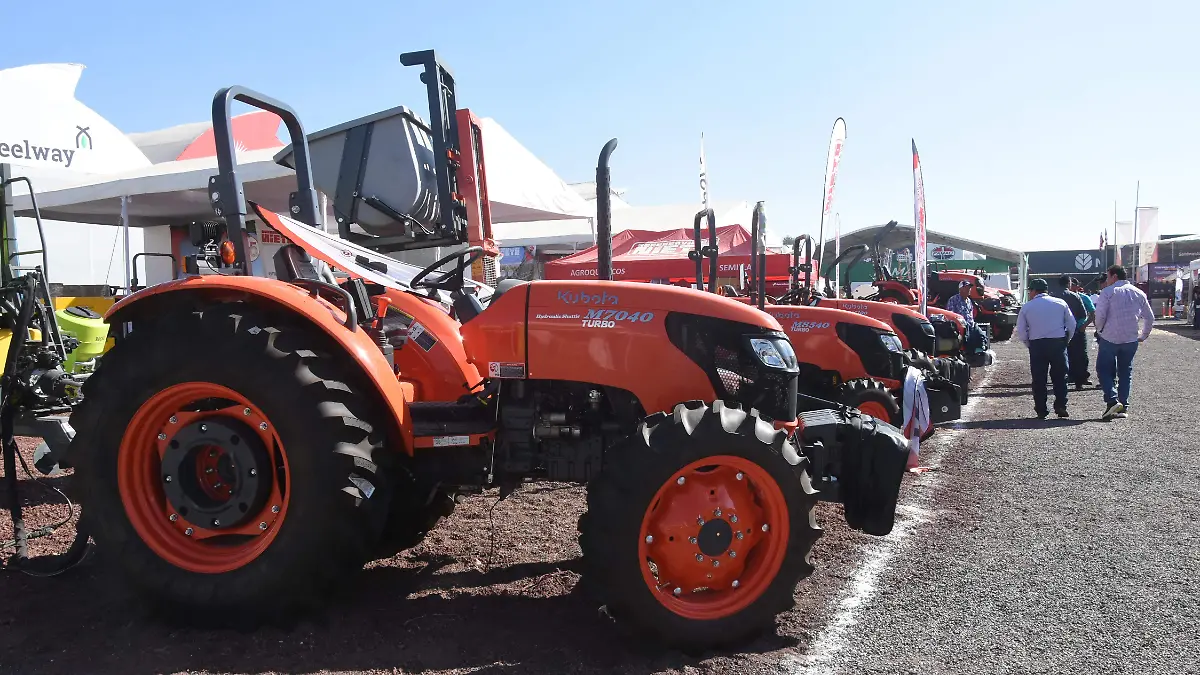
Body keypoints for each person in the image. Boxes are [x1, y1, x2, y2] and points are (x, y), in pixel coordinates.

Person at [1094, 265, 1154, 420]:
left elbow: (1100, 315)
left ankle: (1112, 400)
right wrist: (1143, 335)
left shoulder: (1107, 292)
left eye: (1108, 277)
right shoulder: (1139, 293)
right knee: (1125, 371)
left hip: (1110, 337)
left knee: (1104, 369)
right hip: (1130, 338)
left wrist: (1099, 330)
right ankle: (1123, 406)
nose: (1106, 280)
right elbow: (1149, 317)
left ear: (1114, 276)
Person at [1016, 278, 1076, 419]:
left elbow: (1021, 330)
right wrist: (1066, 340)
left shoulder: (1027, 307)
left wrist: (1028, 343)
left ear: (1034, 291)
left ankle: (1041, 409)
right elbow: (1072, 324)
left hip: (1037, 344)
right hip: (1058, 342)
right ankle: (1061, 404)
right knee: (1060, 377)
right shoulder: (1060, 303)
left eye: (1030, 291)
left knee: (1039, 379)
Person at [1050, 275, 1094, 389]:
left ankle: (1061, 380)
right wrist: (1081, 326)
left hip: (1057, 332)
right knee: (1079, 355)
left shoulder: (1052, 297)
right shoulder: (1075, 296)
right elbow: (1083, 314)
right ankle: (1079, 382)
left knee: (1060, 357)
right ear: (1068, 284)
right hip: (1076, 331)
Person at [946, 280, 988, 353]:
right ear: (961, 289)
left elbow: (971, 315)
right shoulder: (953, 300)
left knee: (981, 335)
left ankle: (980, 352)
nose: (969, 290)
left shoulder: (969, 301)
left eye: (969, 288)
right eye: (967, 288)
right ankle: (970, 353)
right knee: (968, 338)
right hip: (961, 326)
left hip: (971, 324)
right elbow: (950, 315)